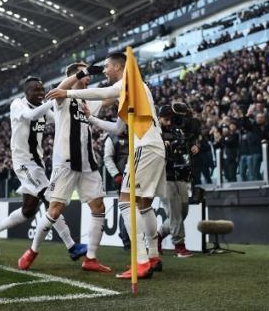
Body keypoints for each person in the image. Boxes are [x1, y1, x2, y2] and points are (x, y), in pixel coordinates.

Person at [47, 52, 167, 279]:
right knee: (144, 203)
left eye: (107, 67)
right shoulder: (135, 89)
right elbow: (117, 129)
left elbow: (105, 92)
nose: (104, 71)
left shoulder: (129, 81)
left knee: (125, 201)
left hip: (143, 145)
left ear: (118, 67)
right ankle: (152, 255)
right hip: (154, 145)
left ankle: (141, 261)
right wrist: (91, 119)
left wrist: (68, 92)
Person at [17, 63, 111, 274]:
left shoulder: (87, 100)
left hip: (88, 163)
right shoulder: (62, 97)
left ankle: (91, 258)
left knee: (99, 207)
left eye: (88, 75)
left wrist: (128, 88)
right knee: (54, 210)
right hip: (65, 163)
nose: (88, 78)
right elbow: (61, 87)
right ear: (74, 76)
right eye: (84, 75)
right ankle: (32, 251)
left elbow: (107, 98)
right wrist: (82, 73)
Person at [0, 77, 86, 261]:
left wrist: (79, 116)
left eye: (42, 90)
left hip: (37, 163)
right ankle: (72, 246)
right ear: (26, 92)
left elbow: (60, 120)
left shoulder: (43, 109)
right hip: (24, 163)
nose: (40, 93)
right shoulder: (17, 105)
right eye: (36, 91)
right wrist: (52, 101)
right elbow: (31, 116)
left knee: (28, 210)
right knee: (50, 199)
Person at [157, 103, 199, 258]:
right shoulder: (154, 131)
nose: (169, 122)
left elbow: (187, 145)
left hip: (181, 174)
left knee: (183, 212)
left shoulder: (177, 130)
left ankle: (158, 236)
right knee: (175, 214)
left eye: (171, 119)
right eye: (166, 119)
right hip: (164, 176)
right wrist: (161, 145)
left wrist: (194, 146)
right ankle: (179, 246)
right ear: (159, 118)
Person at [103, 128, 131, 250]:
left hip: (137, 175)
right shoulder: (112, 136)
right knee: (127, 206)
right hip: (122, 177)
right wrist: (116, 175)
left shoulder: (136, 131)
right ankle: (126, 239)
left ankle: (126, 236)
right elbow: (107, 158)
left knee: (133, 207)